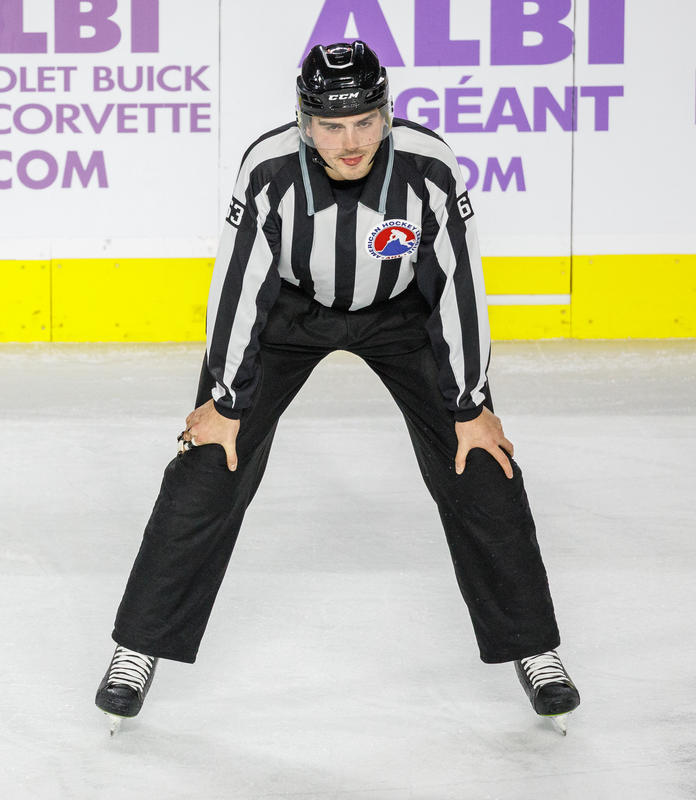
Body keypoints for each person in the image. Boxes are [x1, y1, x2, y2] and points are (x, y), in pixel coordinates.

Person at [94, 40, 580, 735]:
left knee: (483, 465)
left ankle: (535, 648)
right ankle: (136, 647)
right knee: (208, 462)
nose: (350, 143)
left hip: (402, 317)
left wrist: (471, 405)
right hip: (289, 315)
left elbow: (459, 284)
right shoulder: (267, 170)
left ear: (386, 115)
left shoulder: (428, 166)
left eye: (365, 122)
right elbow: (235, 285)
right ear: (304, 123)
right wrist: (227, 401)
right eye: (330, 125)